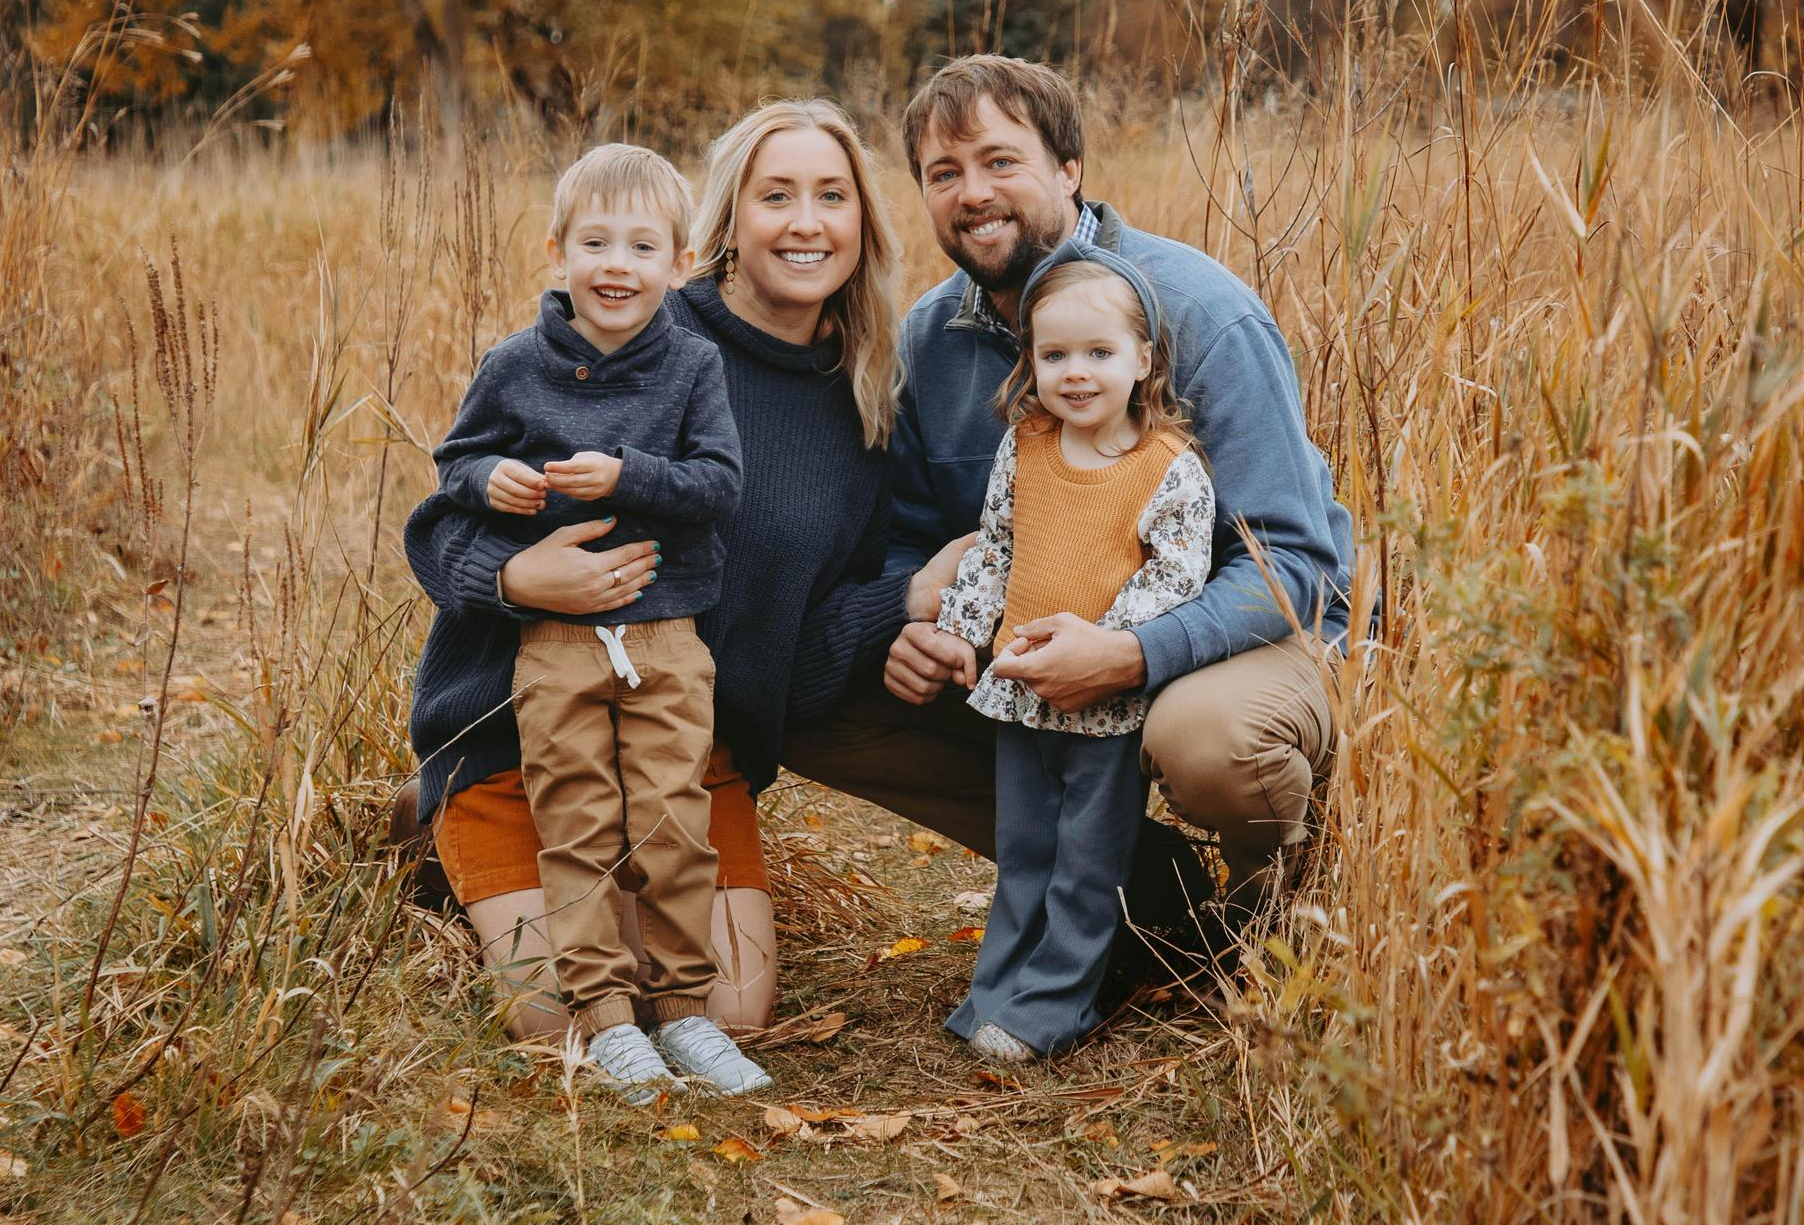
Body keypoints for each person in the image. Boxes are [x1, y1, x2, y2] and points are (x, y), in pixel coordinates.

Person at [783, 55, 1354, 948]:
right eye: (945, 173)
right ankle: (1143, 895)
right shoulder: (930, 342)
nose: (973, 193)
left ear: (1068, 170)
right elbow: (909, 534)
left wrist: (1131, 653)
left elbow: (1291, 560)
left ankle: (1279, 914)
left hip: (1240, 634)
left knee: (1207, 739)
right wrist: (918, 626)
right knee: (812, 692)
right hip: (1039, 646)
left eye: (1000, 162)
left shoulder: (1197, 312)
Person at [400, 100, 916, 1044]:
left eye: (832, 196)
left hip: (684, 751)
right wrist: (519, 581)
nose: (806, 222)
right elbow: (438, 527)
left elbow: (793, 644)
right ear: (720, 224)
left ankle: (616, 898)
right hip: (524, 736)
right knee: (563, 1021)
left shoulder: (868, 397)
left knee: (727, 1009)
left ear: (863, 224)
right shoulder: (635, 328)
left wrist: (907, 600)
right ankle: (449, 838)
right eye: (777, 195)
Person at [419, 141, 767, 1101]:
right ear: (556, 252)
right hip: (552, 645)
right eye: (596, 243)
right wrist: (493, 478)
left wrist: (628, 475)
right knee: (571, 819)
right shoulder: (514, 365)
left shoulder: (694, 365)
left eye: (642, 246)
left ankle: (687, 1010)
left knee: (670, 817)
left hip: (665, 638)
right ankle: (609, 1020)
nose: (618, 264)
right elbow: (456, 464)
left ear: (681, 263)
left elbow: (720, 486)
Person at [932, 248, 1214, 1060]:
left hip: (1106, 700)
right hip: (1021, 689)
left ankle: (1054, 1006)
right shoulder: (1027, 446)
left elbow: (1177, 574)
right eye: (1054, 356)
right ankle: (999, 991)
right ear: (1031, 364)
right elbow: (996, 548)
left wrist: (1102, 646)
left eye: (1099, 353)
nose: (1076, 373)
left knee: (1085, 863)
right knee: (1024, 850)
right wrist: (960, 627)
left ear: (1143, 360)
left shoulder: (1168, 467)